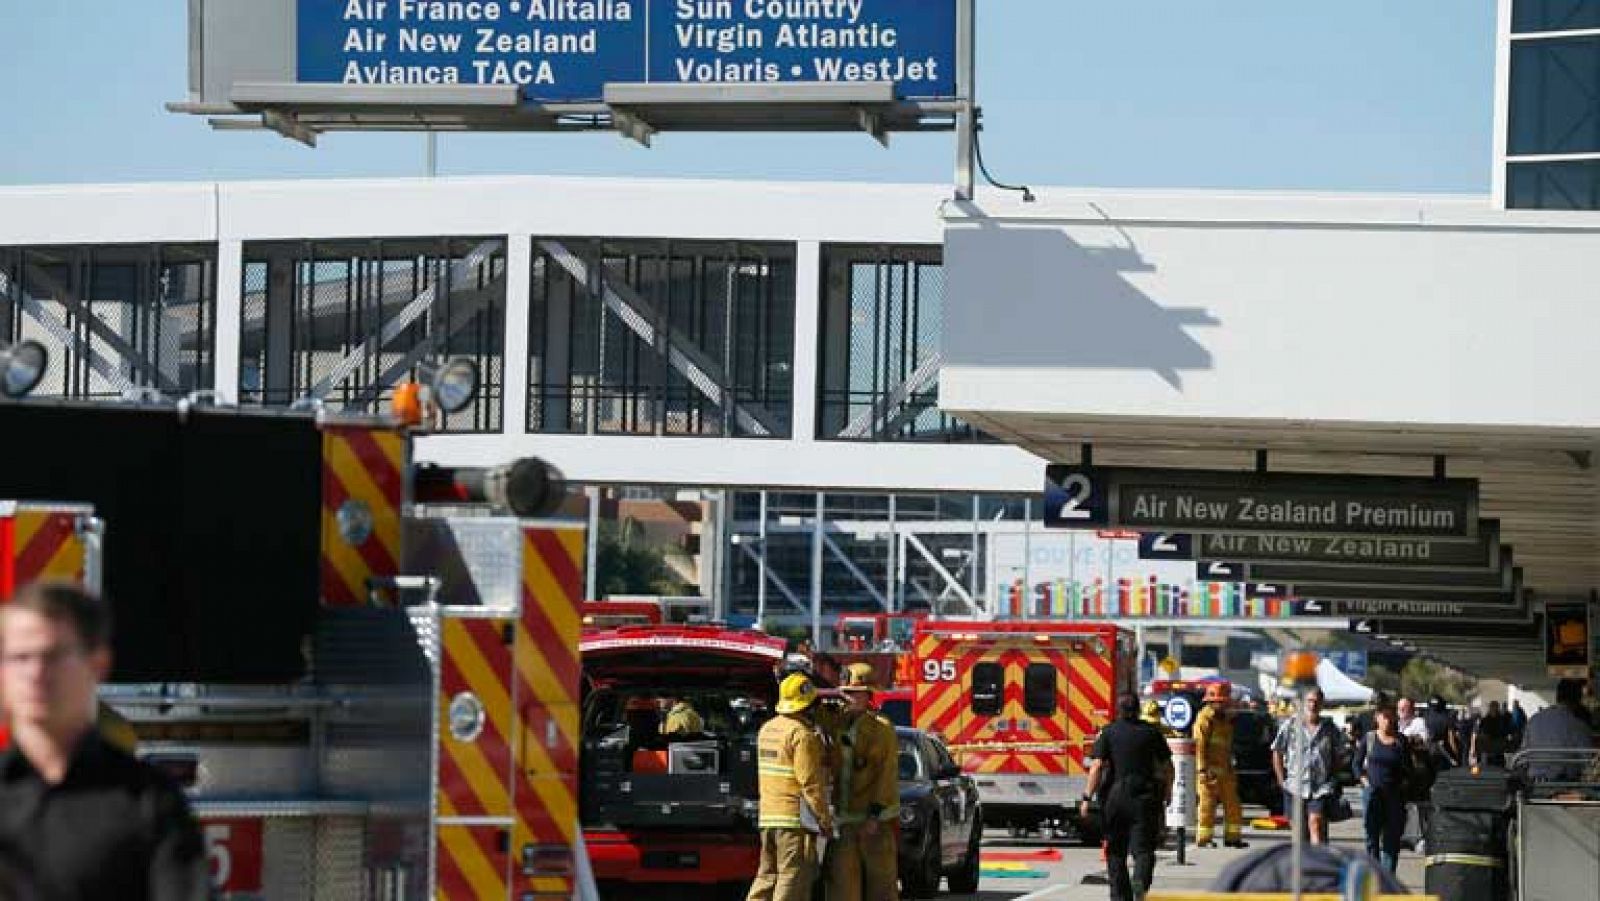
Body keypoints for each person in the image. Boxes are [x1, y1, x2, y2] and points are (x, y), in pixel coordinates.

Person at [0, 581, 207, 900]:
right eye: (20, 657)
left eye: (53, 655)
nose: (35, 672)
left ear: (97, 665)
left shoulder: (149, 804)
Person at [748, 672, 834, 901]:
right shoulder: (801, 735)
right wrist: (824, 820)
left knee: (766, 875)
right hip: (792, 819)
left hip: (767, 816)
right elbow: (810, 784)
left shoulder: (767, 729)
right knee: (791, 874)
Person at [1081, 694, 1174, 901]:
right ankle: (1140, 880)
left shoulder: (1108, 732)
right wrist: (1168, 792)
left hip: (1115, 797)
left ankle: (1119, 896)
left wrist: (1087, 798)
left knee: (1115, 851)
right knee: (1143, 850)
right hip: (1144, 797)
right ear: (1138, 709)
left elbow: (1096, 767)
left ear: (1118, 710)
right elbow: (1168, 767)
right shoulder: (1151, 733)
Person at [825, 663, 899, 901]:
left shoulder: (881, 729)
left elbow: (887, 774)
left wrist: (875, 815)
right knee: (841, 886)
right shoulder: (835, 722)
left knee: (881, 886)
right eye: (845, 692)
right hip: (844, 820)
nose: (849, 697)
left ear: (869, 695)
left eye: (855, 692)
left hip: (875, 821)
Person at [1272, 688, 1344, 845]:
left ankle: (1317, 863)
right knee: (1299, 834)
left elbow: (1339, 755)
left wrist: (1332, 778)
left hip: (1320, 787)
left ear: (1322, 704)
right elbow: (1277, 751)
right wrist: (1281, 780)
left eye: (1317, 701)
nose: (1313, 704)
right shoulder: (1290, 726)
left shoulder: (1330, 729)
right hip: (1294, 786)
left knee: (1316, 822)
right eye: (1310, 700)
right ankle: (1304, 865)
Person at [1193, 682, 1246, 849]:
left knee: (1233, 805)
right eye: (1223, 702)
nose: (1226, 705)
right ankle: (1204, 838)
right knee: (1207, 806)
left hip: (1225, 771)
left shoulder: (1224, 721)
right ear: (1212, 701)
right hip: (1209, 772)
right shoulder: (1204, 720)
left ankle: (1233, 837)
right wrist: (1202, 769)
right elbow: (1199, 746)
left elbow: (1225, 747)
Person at [1357, 705, 1409, 874]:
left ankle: (1387, 879)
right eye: (1383, 717)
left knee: (1391, 840)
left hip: (1394, 796)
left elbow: (1408, 768)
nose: (1387, 721)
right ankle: (1373, 873)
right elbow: (1356, 764)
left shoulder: (1401, 740)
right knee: (1371, 836)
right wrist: (1365, 782)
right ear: (1377, 719)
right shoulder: (1369, 738)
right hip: (1372, 794)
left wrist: (1403, 785)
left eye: (1390, 717)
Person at [1521, 678, 1596, 783]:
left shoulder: (1534, 720)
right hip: (1564, 783)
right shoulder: (1577, 725)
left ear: (1557, 697)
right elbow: (1589, 759)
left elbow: (1523, 754)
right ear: (1578, 700)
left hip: (1534, 783)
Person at [1471, 700, 1511, 768]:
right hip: (1488, 749)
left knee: (1495, 768)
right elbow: (1476, 734)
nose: (1494, 709)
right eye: (1493, 707)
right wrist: (1474, 749)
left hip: (1496, 749)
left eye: (1495, 707)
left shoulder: (1502, 720)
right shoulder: (1485, 720)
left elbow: (1507, 733)